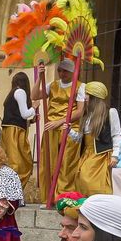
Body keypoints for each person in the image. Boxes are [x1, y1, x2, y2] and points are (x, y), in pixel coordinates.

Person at [37, 63, 87, 205]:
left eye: (65, 71)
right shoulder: (52, 85)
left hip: (69, 128)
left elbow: (79, 111)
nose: (61, 73)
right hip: (51, 129)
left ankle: (64, 198)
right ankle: (48, 198)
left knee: (66, 164)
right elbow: (35, 95)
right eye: (59, 70)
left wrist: (60, 122)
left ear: (72, 72)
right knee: (48, 163)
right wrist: (39, 77)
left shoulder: (80, 86)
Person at [71, 81, 121, 196]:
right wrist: (68, 130)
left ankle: (98, 204)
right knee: (81, 179)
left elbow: (117, 135)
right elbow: (80, 138)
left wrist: (115, 155)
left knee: (91, 181)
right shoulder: (86, 115)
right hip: (86, 154)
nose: (85, 97)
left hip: (101, 155)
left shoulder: (110, 112)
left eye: (87, 94)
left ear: (94, 97)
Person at [0, 73, 36, 182]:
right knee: (20, 162)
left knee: (10, 160)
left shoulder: (11, 93)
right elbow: (24, 114)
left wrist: (31, 121)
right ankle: (14, 188)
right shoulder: (20, 92)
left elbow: (18, 115)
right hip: (15, 132)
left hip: (8, 130)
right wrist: (34, 107)